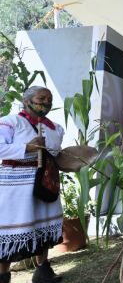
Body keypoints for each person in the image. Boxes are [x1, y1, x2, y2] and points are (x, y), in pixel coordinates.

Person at [0, 86, 64, 283]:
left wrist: (70, 161)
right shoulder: (10, 122)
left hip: (46, 183)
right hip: (15, 187)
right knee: (12, 229)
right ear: (26, 100)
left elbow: (56, 155)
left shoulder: (56, 128)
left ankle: (43, 272)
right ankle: (2, 276)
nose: (46, 102)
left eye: (49, 99)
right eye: (41, 98)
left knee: (44, 225)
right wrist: (27, 147)